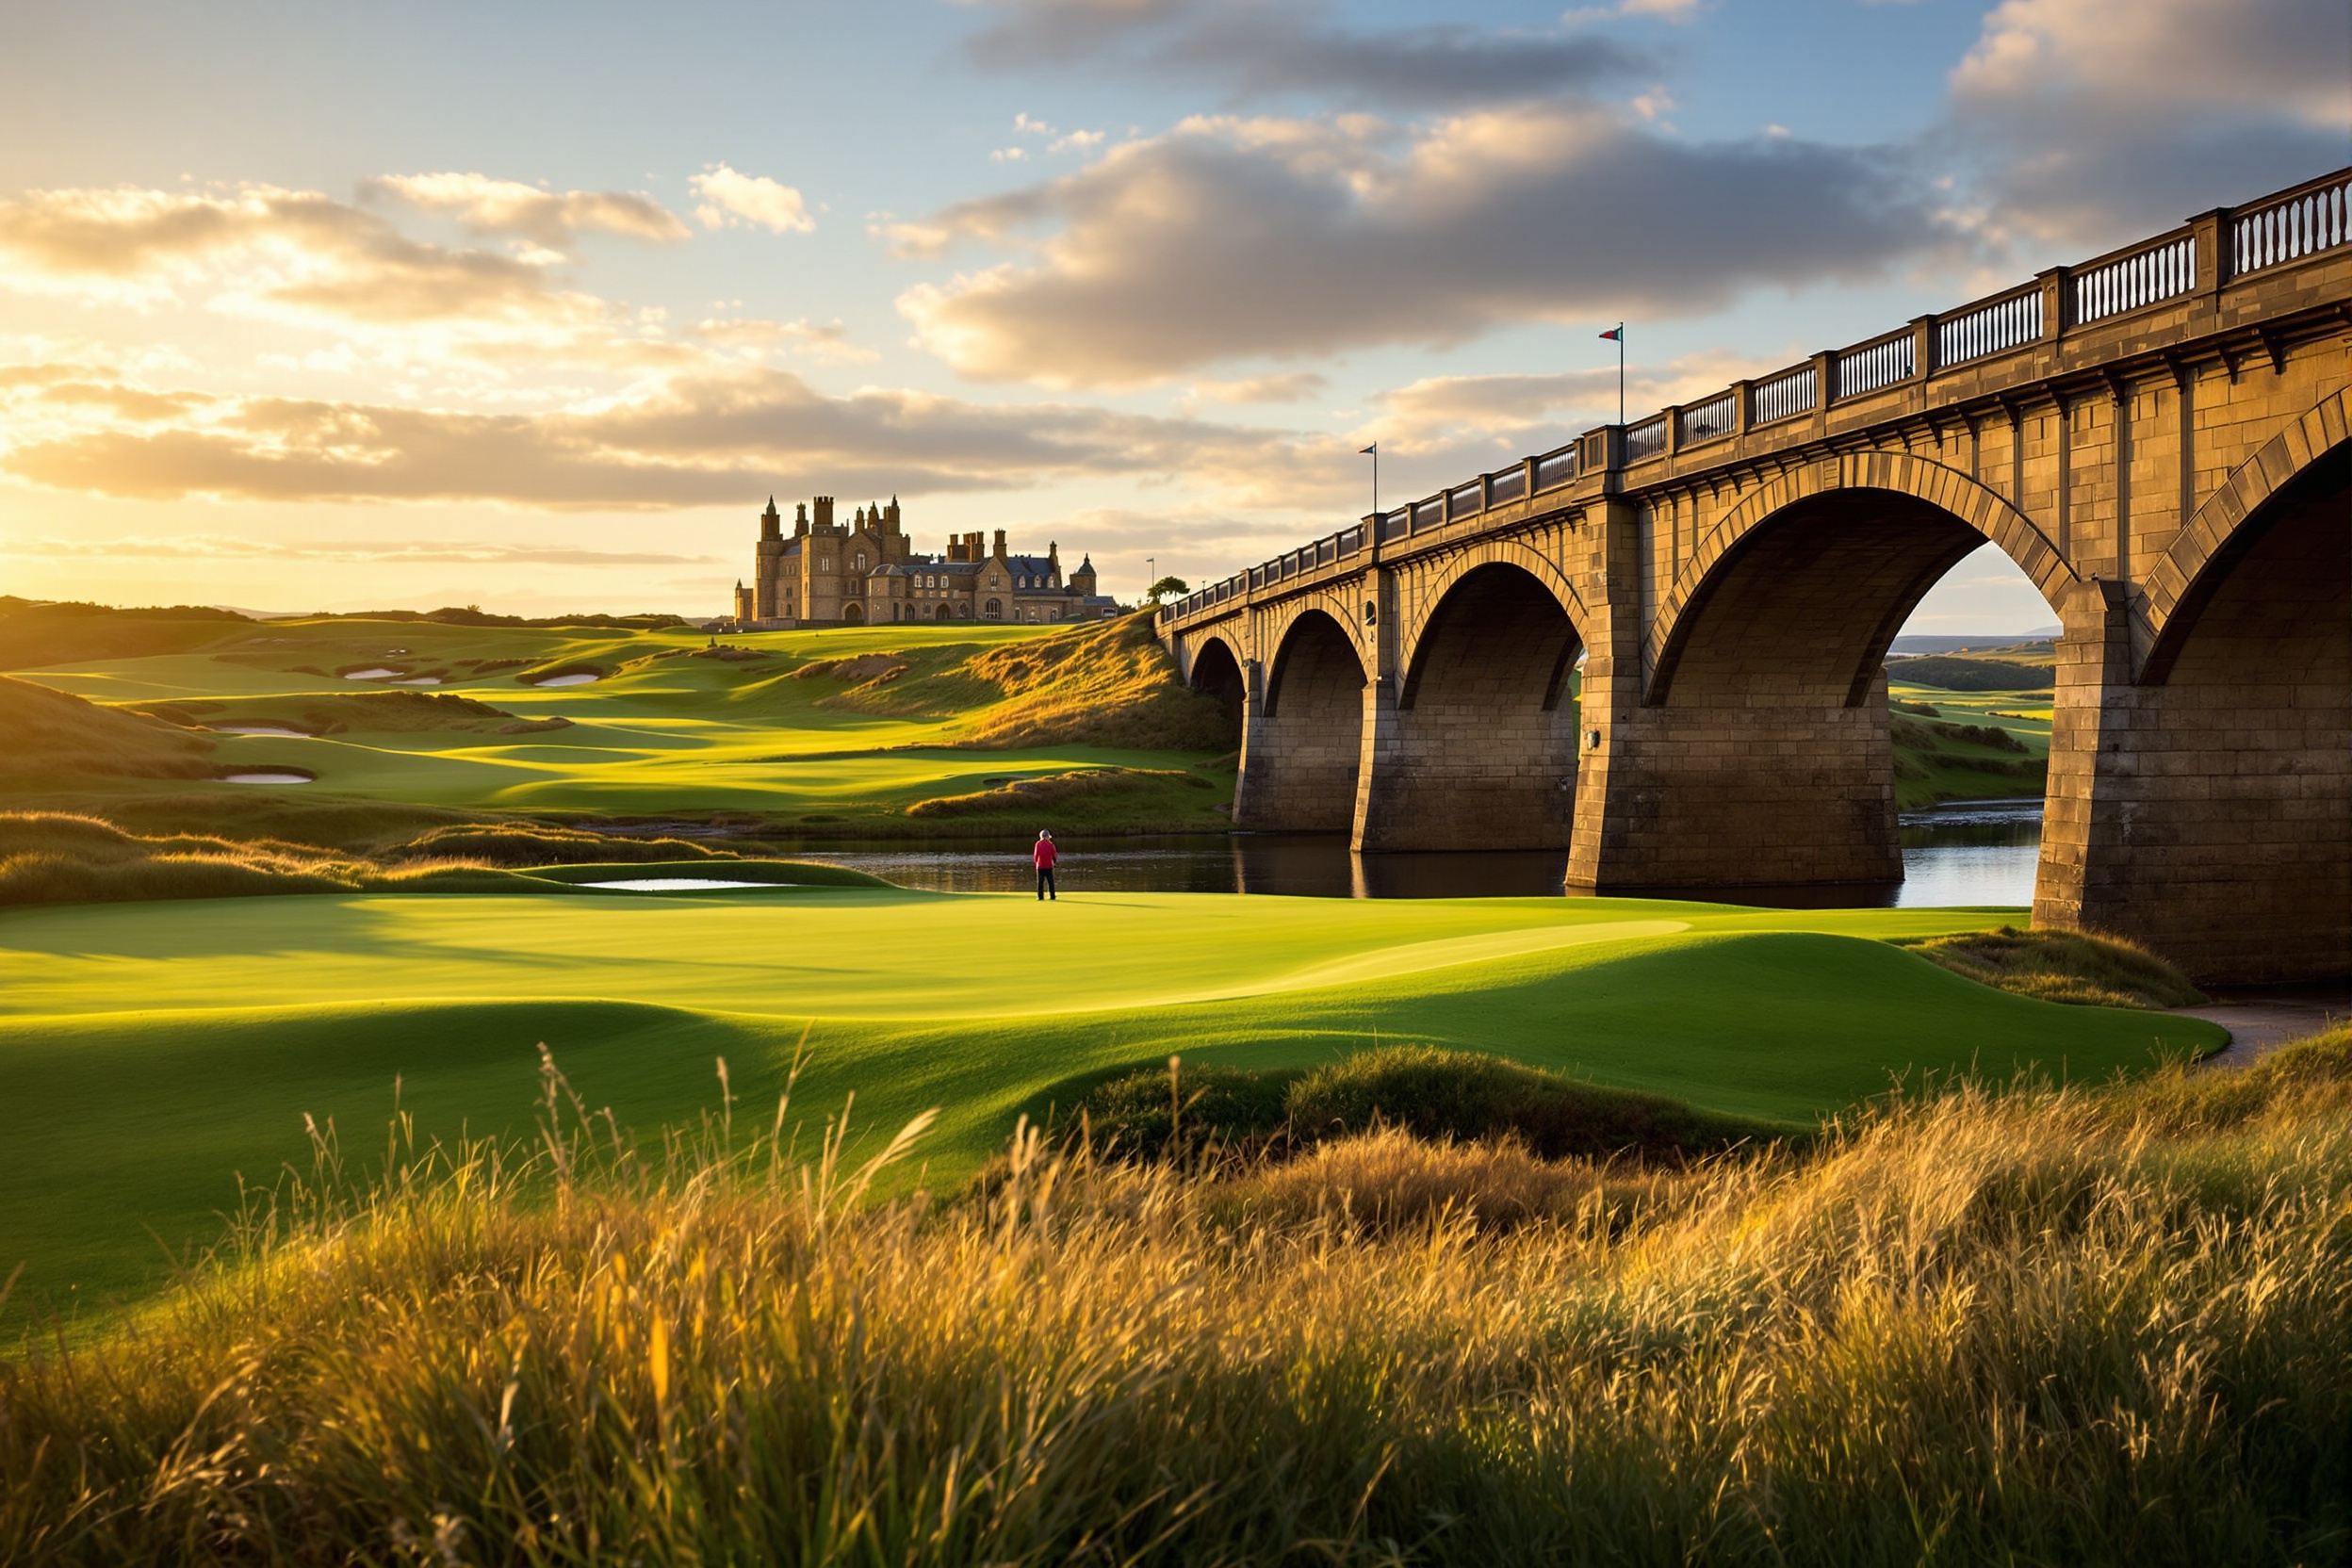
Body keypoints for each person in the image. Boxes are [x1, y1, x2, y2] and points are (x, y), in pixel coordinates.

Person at [1033, 829, 1059, 901]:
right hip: (1049, 866)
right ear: (1048, 836)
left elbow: (1036, 855)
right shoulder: (1051, 845)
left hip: (1040, 866)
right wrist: (1054, 862)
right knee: (1051, 882)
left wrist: (1036, 863)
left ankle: (1040, 897)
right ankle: (1052, 896)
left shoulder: (1038, 844)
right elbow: (1054, 855)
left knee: (1040, 883)